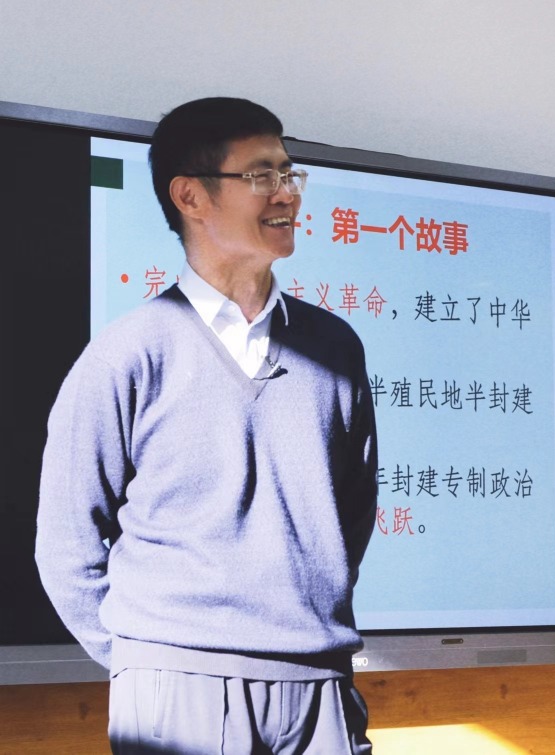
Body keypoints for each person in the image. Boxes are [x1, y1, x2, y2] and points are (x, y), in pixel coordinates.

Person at [35, 97, 378, 754]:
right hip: (175, 686)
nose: (286, 193)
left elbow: (352, 513)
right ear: (190, 196)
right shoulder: (127, 354)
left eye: (288, 173)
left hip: (320, 685)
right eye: (261, 174)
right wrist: (146, 657)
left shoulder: (336, 348)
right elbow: (65, 545)